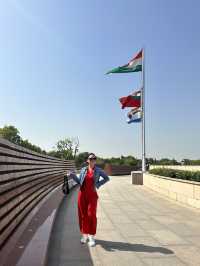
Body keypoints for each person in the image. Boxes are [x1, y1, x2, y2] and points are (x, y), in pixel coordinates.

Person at [68, 153, 110, 247]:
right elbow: (79, 182)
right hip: (82, 195)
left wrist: (98, 184)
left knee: (91, 215)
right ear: (88, 160)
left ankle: (91, 237)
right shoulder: (83, 170)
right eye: (91, 159)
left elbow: (107, 178)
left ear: (95, 160)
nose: (92, 160)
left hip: (92, 195)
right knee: (82, 215)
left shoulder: (98, 170)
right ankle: (84, 235)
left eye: (94, 159)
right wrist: (72, 175)